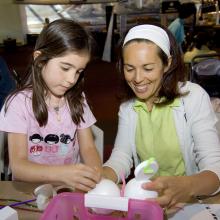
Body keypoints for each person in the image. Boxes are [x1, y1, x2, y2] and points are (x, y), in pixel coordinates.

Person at [103, 24, 220, 209]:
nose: (138, 78)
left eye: (148, 68)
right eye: (129, 68)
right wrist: (100, 178)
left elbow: (215, 170)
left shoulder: (193, 98)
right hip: (150, 202)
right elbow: (122, 156)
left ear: (167, 63)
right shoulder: (128, 108)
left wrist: (186, 186)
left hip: (193, 202)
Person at [0, 19, 102, 192]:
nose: (72, 79)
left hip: (68, 190)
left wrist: (95, 177)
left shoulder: (78, 99)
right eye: (65, 67)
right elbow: (19, 166)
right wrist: (63, 174)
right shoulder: (18, 104)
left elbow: (89, 147)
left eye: (78, 71)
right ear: (40, 60)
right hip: (29, 191)